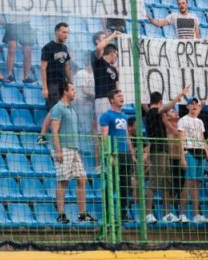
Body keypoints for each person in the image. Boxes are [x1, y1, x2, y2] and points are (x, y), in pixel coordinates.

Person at [51, 81, 97, 224]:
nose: (74, 92)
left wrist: (77, 150)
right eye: (72, 89)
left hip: (74, 149)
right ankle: (61, 214)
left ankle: (82, 214)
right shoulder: (58, 108)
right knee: (63, 181)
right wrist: (58, 150)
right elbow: (54, 131)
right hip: (64, 148)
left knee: (82, 179)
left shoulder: (70, 108)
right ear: (65, 91)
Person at [144, 88, 190, 224]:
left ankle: (167, 213)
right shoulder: (153, 112)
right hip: (158, 151)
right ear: (160, 102)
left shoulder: (156, 115)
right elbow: (166, 108)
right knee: (154, 182)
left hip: (164, 151)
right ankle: (148, 214)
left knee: (166, 183)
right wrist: (180, 95)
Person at [99, 90, 135, 222]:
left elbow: (127, 136)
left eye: (122, 95)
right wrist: (108, 154)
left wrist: (132, 154)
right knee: (112, 183)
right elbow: (104, 136)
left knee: (125, 185)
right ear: (111, 100)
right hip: (114, 153)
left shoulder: (124, 115)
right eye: (118, 96)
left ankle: (123, 213)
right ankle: (108, 214)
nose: (122, 97)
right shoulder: (106, 115)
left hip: (125, 154)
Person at [38, 23, 73, 144]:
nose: (66, 35)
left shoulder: (65, 48)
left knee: (61, 110)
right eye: (63, 32)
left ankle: (56, 136)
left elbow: (67, 66)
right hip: (52, 83)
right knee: (54, 110)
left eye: (67, 32)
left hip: (63, 84)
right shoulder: (48, 48)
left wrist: (70, 82)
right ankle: (44, 136)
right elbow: (43, 68)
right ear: (56, 32)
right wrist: (45, 88)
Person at [178, 97, 208, 223]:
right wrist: (182, 157)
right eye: (191, 103)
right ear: (187, 106)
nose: (194, 105)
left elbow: (202, 140)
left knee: (197, 184)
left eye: (196, 104)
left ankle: (196, 214)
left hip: (200, 152)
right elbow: (181, 140)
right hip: (189, 151)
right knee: (188, 182)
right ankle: (182, 214)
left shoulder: (200, 121)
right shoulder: (183, 120)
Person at [91, 31, 121, 125]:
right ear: (112, 53)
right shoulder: (99, 62)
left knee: (112, 127)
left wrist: (118, 99)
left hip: (112, 101)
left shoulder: (114, 69)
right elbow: (99, 47)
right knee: (103, 127)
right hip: (102, 99)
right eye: (116, 54)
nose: (116, 57)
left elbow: (117, 87)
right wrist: (112, 36)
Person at [2, 14, 36, 83]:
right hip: (12, 22)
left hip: (25, 23)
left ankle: (26, 77)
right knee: (12, 49)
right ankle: (9, 75)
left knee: (28, 51)